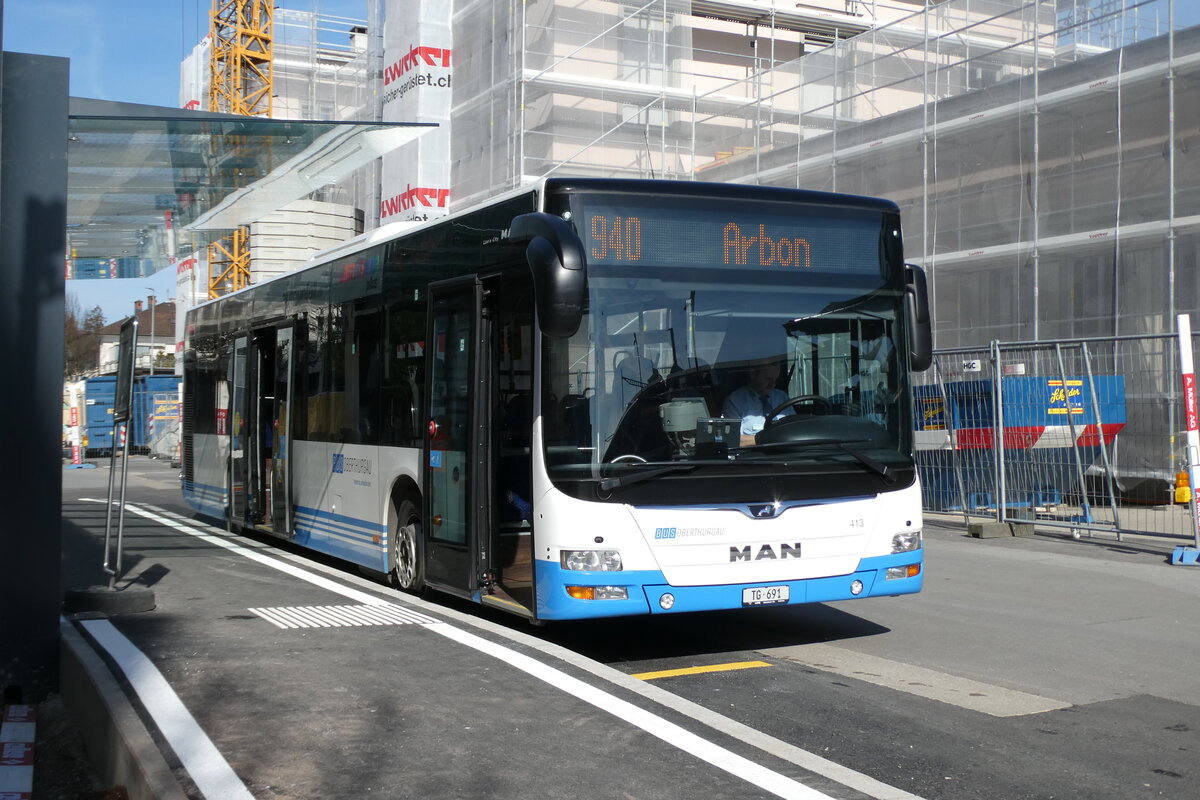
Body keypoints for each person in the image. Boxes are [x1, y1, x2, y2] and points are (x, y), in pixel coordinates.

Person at [722, 362, 790, 446]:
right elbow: (732, 439)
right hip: (753, 456)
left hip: (785, 455)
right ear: (752, 374)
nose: (773, 384)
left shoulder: (782, 397)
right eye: (768, 379)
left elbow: (794, 429)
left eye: (776, 379)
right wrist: (766, 439)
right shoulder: (735, 401)